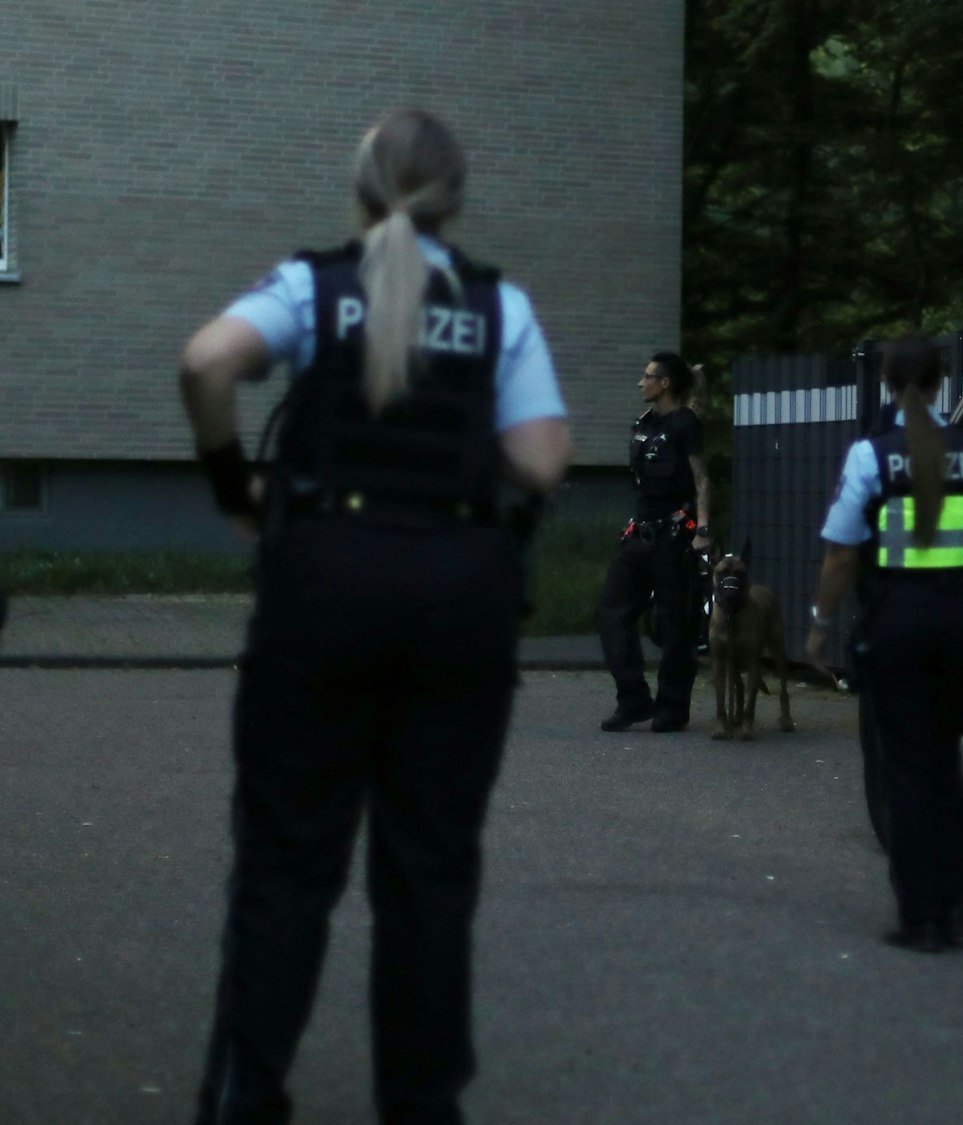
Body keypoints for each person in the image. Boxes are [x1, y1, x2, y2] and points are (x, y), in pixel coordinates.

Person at [178, 108, 572, 1124]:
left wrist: (235, 491)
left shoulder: (310, 288)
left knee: (284, 864)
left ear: (359, 192)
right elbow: (540, 461)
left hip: (321, 588)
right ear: (457, 200)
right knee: (430, 871)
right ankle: (421, 1106)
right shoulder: (499, 309)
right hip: (458, 596)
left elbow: (206, 362)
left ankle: (246, 1097)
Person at [805, 336, 963, 952]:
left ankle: (920, 915)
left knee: (906, 768)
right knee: (946, 763)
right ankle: (953, 910)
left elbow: (842, 552)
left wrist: (821, 624)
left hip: (896, 622)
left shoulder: (872, 458)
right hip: (962, 623)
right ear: (941, 381)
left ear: (886, 382)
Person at [597, 351, 712, 732]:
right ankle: (633, 700)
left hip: (674, 537)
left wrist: (703, 531)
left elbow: (702, 481)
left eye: (648, 377)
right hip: (639, 534)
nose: (640, 382)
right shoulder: (646, 423)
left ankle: (672, 709)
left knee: (675, 625)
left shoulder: (685, 425)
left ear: (665, 384)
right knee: (612, 613)